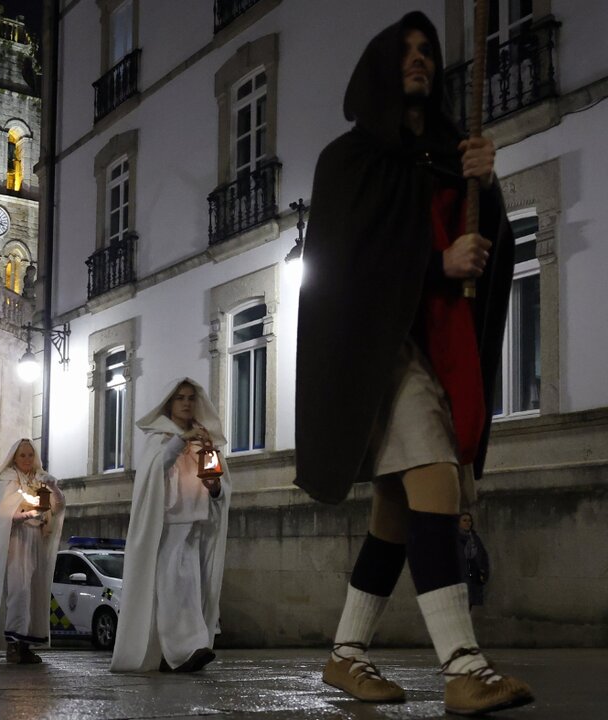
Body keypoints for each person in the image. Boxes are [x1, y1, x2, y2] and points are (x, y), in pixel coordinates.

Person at [294, 12, 533, 715]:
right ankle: (463, 666)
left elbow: (477, 254)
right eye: (406, 51)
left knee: (396, 511)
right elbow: (350, 265)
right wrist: (437, 261)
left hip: (426, 346)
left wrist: (482, 191)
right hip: (376, 354)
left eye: (429, 51)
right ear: (379, 67)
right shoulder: (348, 162)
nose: (420, 59)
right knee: (434, 480)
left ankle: (346, 654)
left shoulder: (442, 158)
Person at [111, 379, 230, 674]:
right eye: (180, 398)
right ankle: (184, 650)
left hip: (196, 525)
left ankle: (185, 649)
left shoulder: (204, 440)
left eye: (191, 398)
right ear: (170, 404)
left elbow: (219, 485)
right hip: (166, 527)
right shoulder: (160, 438)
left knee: (190, 588)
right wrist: (182, 440)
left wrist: (215, 488)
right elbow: (158, 467)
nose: (187, 403)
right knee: (173, 589)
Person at [0, 438, 65, 664]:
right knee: (18, 590)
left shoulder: (41, 478)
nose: (27, 459)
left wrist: (54, 487)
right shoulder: (8, 479)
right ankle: (12, 644)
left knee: (33, 592)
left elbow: (58, 507)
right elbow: (1, 513)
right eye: (23, 455)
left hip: (36, 540)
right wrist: (24, 516)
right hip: (15, 539)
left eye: (31, 455)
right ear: (14, 458)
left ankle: (26, 644)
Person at [459, 513, 490, 609]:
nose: (468, 523)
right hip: (460, 578)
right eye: (464, 520)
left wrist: (484, 572)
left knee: (469, 604)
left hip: (473, 577)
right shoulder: (455, 538)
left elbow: (483, 556)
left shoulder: (475, 538)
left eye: (469, 520)